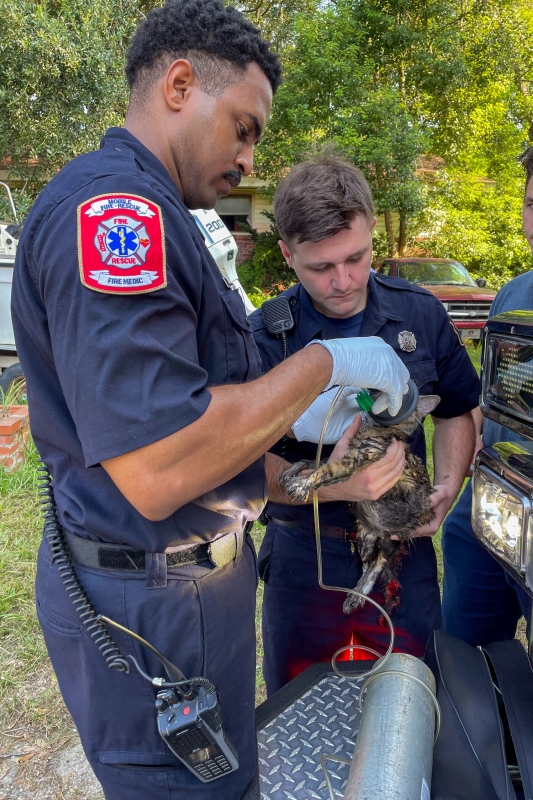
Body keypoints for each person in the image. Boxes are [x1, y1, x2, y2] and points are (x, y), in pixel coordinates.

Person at [10, 3, 413, 798]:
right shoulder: (116, 216)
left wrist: (319, 476)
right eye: (242, 125)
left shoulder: (173, 219)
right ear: (180, 84)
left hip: (189, 584)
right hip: (155, 603)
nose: (247, 156)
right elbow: (160, 466)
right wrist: (328, 360)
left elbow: (205, 439)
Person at [250, 152, 480, 696]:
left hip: (404, 548)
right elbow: (239, 460)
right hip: (304, 553)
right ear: (287, 254)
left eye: (356, 258)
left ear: (372, 230)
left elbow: (455, 409)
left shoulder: (420, 314)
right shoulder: (264, 338)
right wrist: (337, 485)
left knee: (415, 696)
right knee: (299, 698)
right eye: (320, 267)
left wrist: (447, 489)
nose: (343, 280)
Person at [441, 147, 533, 647]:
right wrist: (478, 436)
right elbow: (491, 394)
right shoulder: (512, 296)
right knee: (462, 657)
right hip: (492, 502)